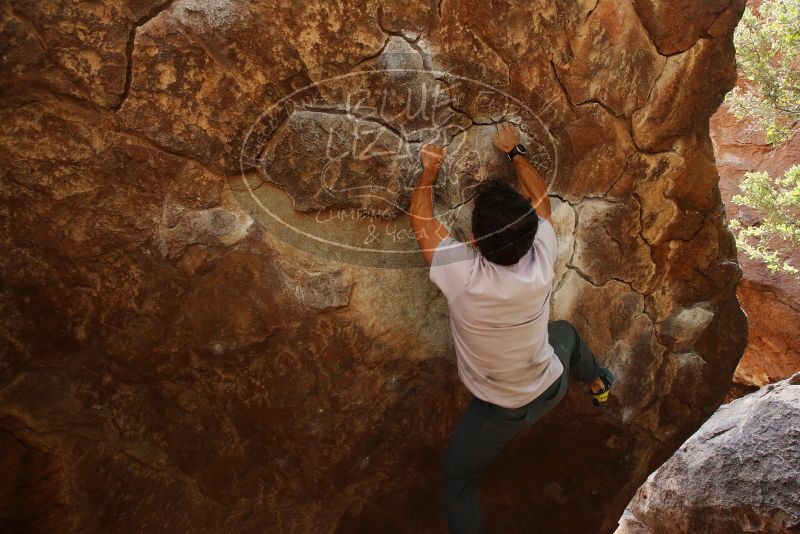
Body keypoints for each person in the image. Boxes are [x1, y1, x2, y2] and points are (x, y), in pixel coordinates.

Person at [408, 122, 614, 534]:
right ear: (530, 232)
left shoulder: (461, 272)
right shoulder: (542, 255)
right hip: (550, 385)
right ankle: (599, 384)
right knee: (567, 335)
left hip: (498, 410)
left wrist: (430, 169)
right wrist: (515, 150)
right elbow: (541, 200)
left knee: (459, 479)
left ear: (473, 240)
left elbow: (420, 218)